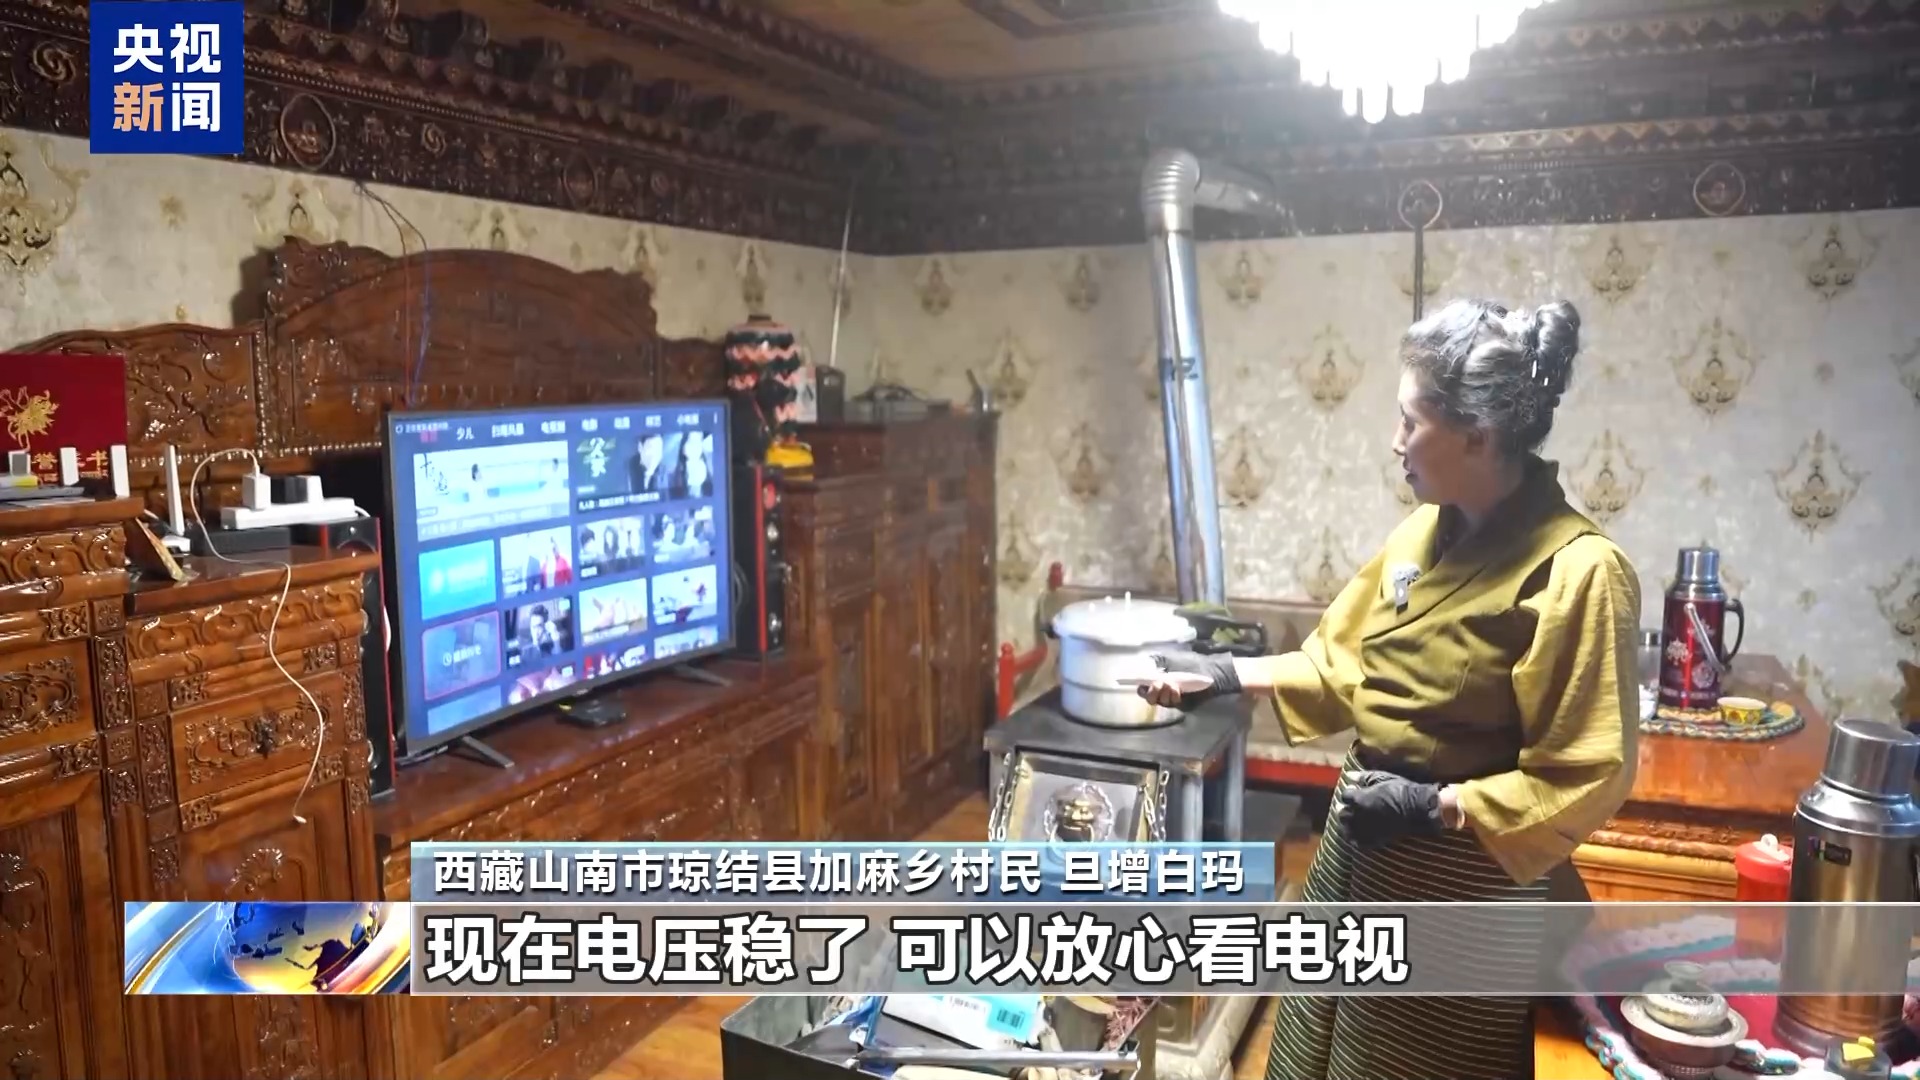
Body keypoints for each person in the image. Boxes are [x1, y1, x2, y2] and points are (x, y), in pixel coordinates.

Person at [1137, 299, 1640, 1080]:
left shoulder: (1578, 571)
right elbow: (1345, 664)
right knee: (1310, 1047)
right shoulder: (1422, 532)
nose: (1395, 441)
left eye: (1411, 422)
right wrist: (1225, 676)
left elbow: (1586, 770)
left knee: (1410, 1062)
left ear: (1477, 435)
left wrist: (1435, 807)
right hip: (1360, 841)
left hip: (1461, 879)